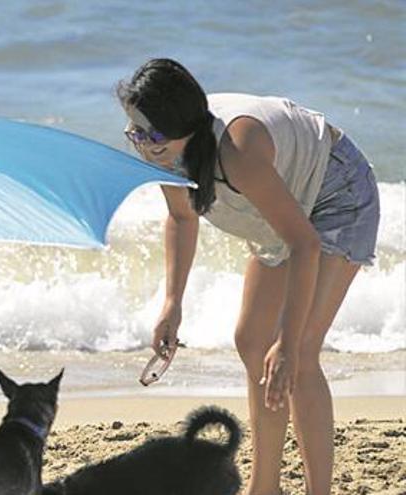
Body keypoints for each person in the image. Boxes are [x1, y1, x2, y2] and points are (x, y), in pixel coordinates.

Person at [116, 58, 380, 495]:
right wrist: (172, 304)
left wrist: (290, 343)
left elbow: (305, 245)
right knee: (253, 341)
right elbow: (182, 220)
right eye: (135, 133)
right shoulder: (162, 154)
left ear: (184, 124)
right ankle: (265, 488)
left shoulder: (237, 149)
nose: (143, 144)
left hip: (336, 193)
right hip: (284, 204)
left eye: (153, 135)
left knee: (299, 352)